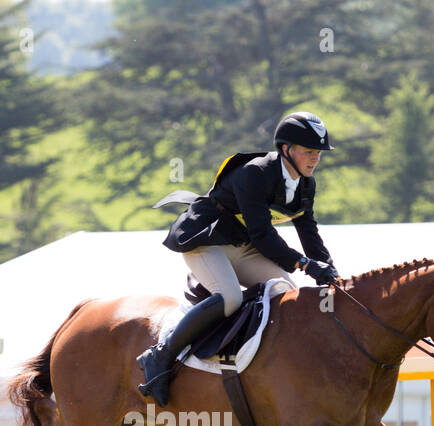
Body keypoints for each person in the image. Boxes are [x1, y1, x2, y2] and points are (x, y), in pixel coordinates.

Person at [138, 111, 339, 406]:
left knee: (288, 294)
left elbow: (309, 233)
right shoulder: (254, 173)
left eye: (318, 153)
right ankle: (161, 355)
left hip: (242, 246)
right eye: (309, 152)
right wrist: (306, 265)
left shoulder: (306, 185)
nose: (315, 159)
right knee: (230, 297)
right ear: (286, 149)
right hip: (206, 241)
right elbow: (262, 235)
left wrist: (331, 272)